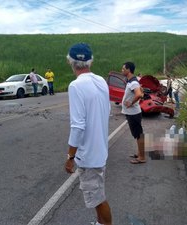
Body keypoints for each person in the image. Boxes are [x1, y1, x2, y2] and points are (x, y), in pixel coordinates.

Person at [65, 43, 112, 225]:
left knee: (98, 199)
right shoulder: (100, 81)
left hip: (89, 156)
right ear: (90, 62)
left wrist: (70, 156)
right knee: (97, 195)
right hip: (100, 149)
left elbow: (77, 126)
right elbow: (106, 110)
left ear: (71, 62)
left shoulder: (76, 86)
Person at [121, 62, 146, 164]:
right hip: (133, 113)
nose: (121, 70)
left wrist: (131, 103)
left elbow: (139, 94)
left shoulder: (133, 82)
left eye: (123, 69)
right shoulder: (132, 81)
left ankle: (142, 157)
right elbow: (142, 92)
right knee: (137, 134)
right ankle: (140, 153)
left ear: (129, 70)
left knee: (139, 134)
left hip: (133, 113)